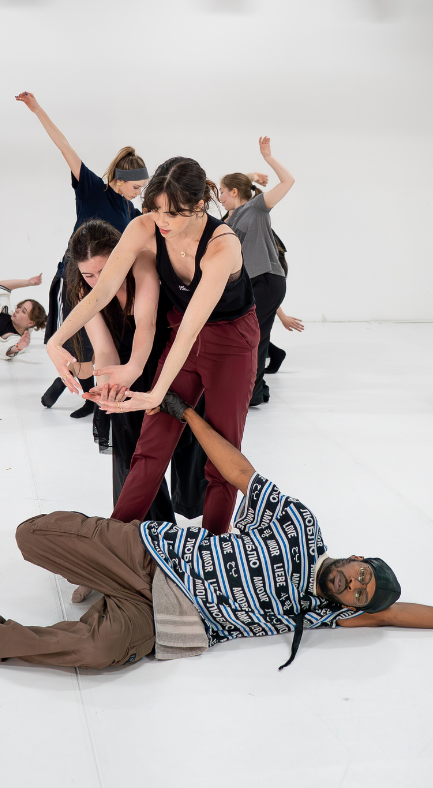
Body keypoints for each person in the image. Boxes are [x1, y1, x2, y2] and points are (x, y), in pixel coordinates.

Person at [0, 390, 433, 671]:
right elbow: (238, 471)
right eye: (363, 576)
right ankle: (93, 567)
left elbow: (394, 613)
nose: (355, 588)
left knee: (98, 652)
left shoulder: (321, 613)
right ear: (355, 557)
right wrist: (187, 417)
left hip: (164, 622)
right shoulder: (299, 528)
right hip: (150, 556)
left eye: (358, 594)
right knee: (30, 536)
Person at [47, 157, 259, 536]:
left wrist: (158, 391)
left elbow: (194, 330)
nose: (162, 222)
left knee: (221, 452)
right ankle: (114, 546)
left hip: (231, 341)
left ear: (198, 206)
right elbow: (103, 291)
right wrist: (55, 340)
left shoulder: (222, 246)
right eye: (155, 208)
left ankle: (212, 550)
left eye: (173, 214)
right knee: (150, 445)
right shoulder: (144, 227)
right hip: (181, 331)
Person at [15, 90, 149, 417]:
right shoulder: (92, 188)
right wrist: (37, 109)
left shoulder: (131, 212)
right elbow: (65, 147)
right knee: (73, 335)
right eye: (136, 187)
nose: (138, 193)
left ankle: (87, 393)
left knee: (100, 340)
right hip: (77, 275)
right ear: (120, 180)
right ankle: (69, 386)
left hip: (109, 282)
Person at [219, 137, 297, 406]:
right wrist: (248, 176)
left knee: (256, 336)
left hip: (267, 280)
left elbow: (288, 182)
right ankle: (257, 390)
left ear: (233, 191)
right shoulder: (228, 219)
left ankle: (253, 392)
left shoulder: (257, 206)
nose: (219, 196)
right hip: (253, 284)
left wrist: (268, 158)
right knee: (252, 335)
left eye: (222, 191)